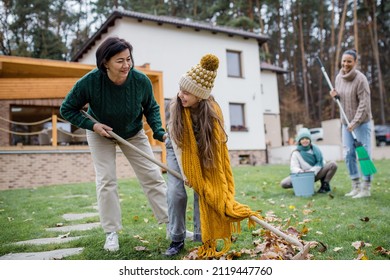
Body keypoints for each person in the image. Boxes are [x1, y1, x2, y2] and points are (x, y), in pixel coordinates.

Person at [60, 36, 169, 251]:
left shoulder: (140, 80)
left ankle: (172, 226)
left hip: (133, 132)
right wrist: (93, 126)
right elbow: (67, 108)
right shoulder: (90, 82)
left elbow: (151, 107)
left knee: (153, 177)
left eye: (129, 59)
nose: (126, 65)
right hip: (101, 133)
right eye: (120, 60)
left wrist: (159, 132)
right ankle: (111, 233)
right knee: (106, 181)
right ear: (105, 62)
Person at [166, 54, 260, 259]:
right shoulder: (177, 109)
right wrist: (186, 174)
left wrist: (207, 180)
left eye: (187, 93)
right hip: (178, 148)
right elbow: (179, 146)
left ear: (200, 96)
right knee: (176, 192)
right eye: (180, 90)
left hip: (203, 150)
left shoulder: (213, 113)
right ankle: (176, 237)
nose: (181, 95)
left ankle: (203, 236)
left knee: (207, 190)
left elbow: (216, 150)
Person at [330, 49, 373, 198]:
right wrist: (335, 96)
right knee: (348, 153)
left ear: (355, 62)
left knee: (364, 154)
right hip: (345, 123)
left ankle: (366, 188)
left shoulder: (361, 79)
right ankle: (355, 185)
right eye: (344, 61)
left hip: (361, 123)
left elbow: (364, 104)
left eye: (349, 61)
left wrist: (355, 122)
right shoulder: (338, 78)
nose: (346, 64)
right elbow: (342, 100)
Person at [280, 127, 338, 193]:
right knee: (284, 183)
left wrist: (312, 171)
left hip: (315, 173)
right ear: (299, 141)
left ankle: (325, 185)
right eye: (302, 139)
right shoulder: (296, 153)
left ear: (310, 140)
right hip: (303, 175)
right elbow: (294, 167)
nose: (305, 140)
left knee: (333, 164)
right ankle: (303, 186)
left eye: (307, 138)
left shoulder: (315, 149)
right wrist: (302, 172)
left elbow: (321, 162)